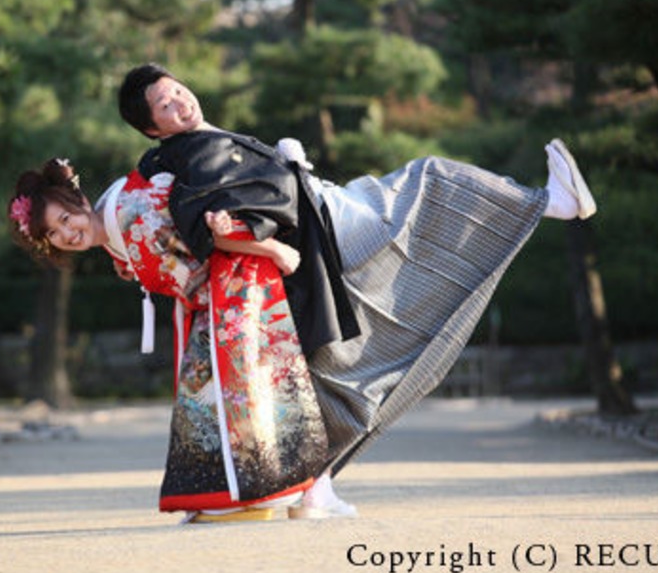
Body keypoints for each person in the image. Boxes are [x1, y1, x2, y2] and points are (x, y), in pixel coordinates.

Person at [117, 62, 597, 517]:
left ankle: (314, 489)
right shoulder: (182, 160)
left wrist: (288, 169)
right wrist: (257, 234)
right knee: (430, 179)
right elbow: (203, 220)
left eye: (177, 89)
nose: (180, 102)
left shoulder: (197, 144)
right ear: (153, 129)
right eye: (164, 105)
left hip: (321, 213)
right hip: (321, 229)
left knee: (337, 378)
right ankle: (546, 202)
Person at [8, 158, 329, 523]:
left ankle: (278, 491)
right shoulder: (111, 223)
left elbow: (206, 232)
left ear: (81, 203)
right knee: (205, 397)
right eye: (52, 234)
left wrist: (272, 249)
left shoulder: (132, 214)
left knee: (240, 390)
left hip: (236, 278)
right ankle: (236, 496)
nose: (66, 235)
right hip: (214, 293)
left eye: (66, 219)